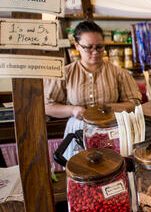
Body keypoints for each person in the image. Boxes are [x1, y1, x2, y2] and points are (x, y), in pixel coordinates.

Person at [44, 21, 142, 159]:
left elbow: (134, 103)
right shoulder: (66, 73)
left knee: (113, 169)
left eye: (100, 47)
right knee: (82, 173)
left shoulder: (119, 73)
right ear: (77, 46)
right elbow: (47, 106)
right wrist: (72, 110)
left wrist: (109, 108)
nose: (95, 52)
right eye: (89, 47)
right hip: (78, 130)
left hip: (112, 130)